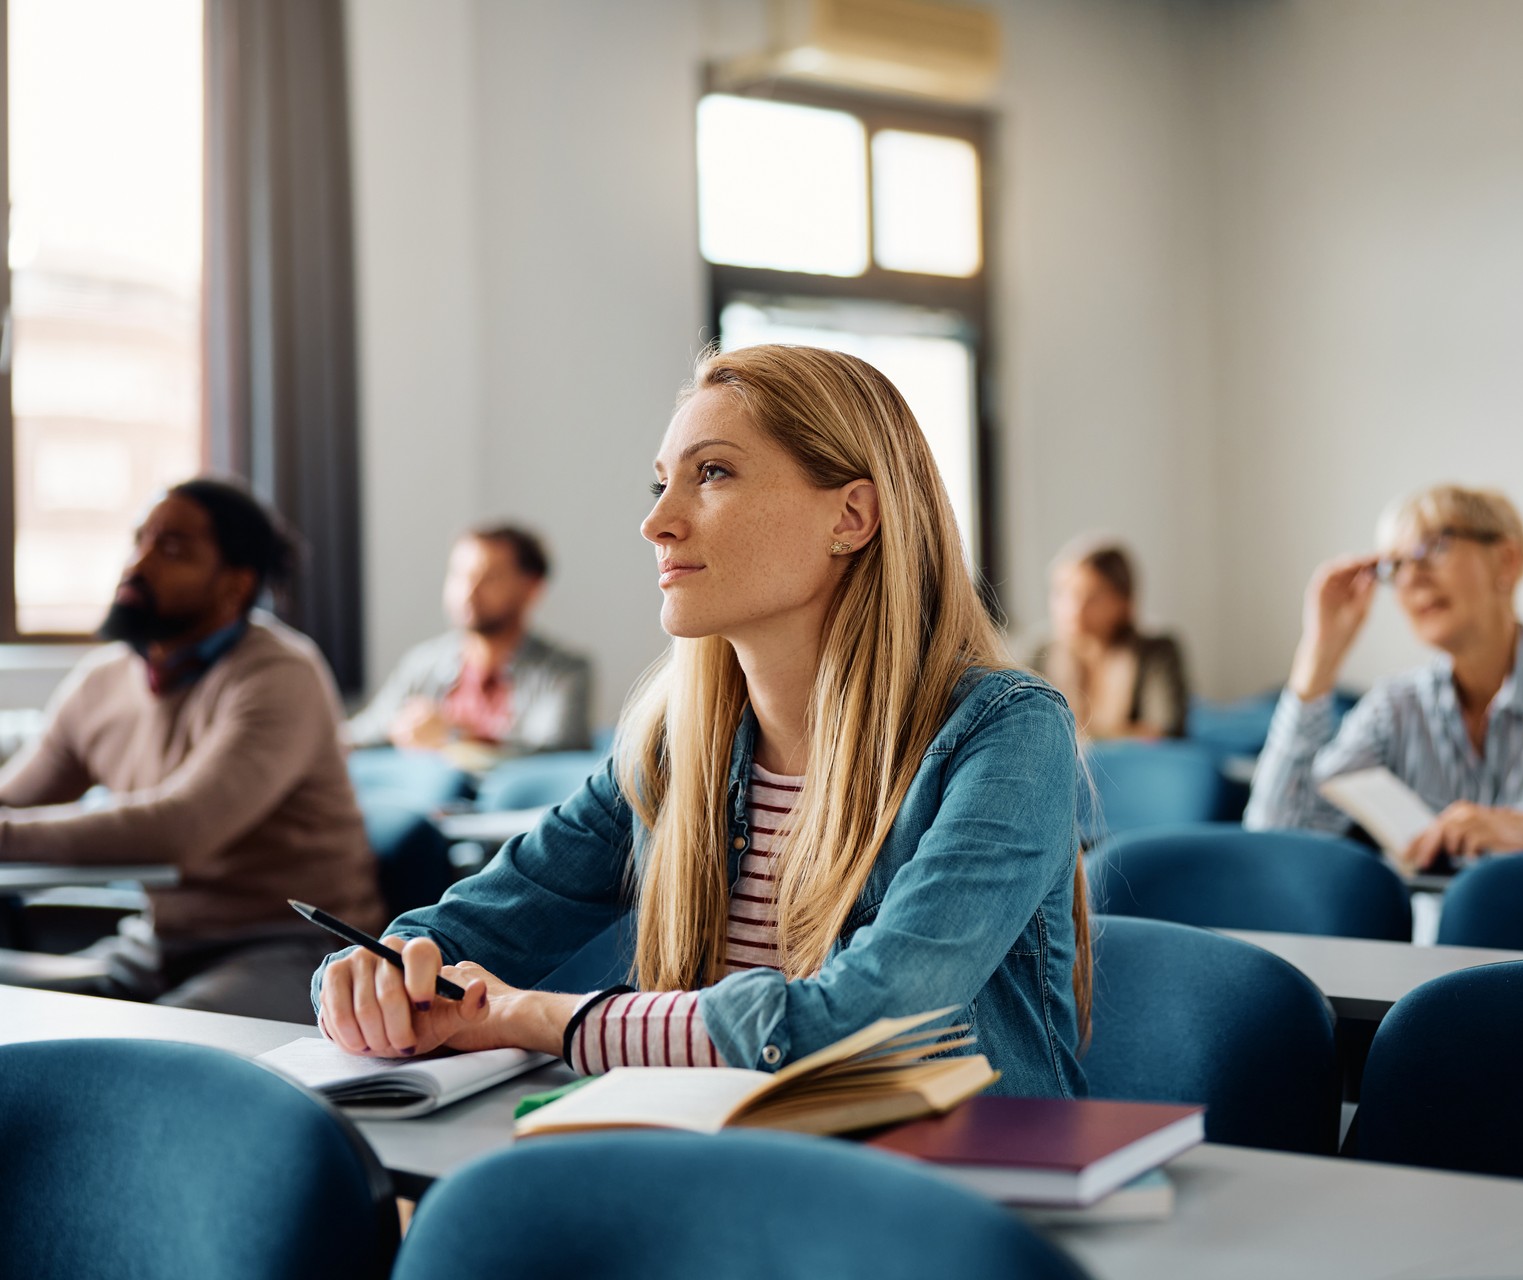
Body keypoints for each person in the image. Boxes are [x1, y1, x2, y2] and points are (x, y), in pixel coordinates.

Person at [314, 345, 1090, 1098]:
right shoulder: (671, 750)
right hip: (712, 1170)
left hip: (952, 1192)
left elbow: (868, 1018)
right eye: (659, 485)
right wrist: (371, 979)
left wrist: (542, 1019)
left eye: (711, 473)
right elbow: (460, 931)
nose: (657, 523)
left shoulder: (1009, 734)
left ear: (852, 516)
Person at [0, 478, 383, 1022]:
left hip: (290, 949)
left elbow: (179, 828)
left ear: (235, 584)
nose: (138, 562)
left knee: (150, 1056)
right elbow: (16, 798)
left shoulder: (279, 674)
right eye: (140, 540)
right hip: (156, 947)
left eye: (172, 548)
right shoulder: (103, 681)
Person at [1245, 484, 1523, 871]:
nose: (1412, 577)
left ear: (1507, 562)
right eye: (1394, 566)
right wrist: (1319, 656)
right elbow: (1274, 836)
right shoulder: (1394, 705)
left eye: (1433, 548)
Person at [347, 524, 592, 757]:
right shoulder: (422, 663)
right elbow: (364, 731)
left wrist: (457, 734)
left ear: (531, 588)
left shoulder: (565, 672)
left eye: (489, 578)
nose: (468, 591)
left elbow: (559, 752)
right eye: (459, 575)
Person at [1031, 539, 1189, 739]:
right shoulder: (1038, 652)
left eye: (1092, 597)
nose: (1074, 609)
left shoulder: (1156, 652)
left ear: (1123, 602)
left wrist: (1076, 738)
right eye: (1063, 593)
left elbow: (1165, 730)